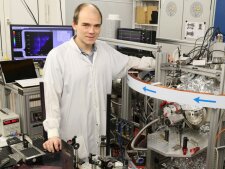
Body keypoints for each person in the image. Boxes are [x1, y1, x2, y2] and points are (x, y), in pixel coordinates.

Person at [42, 3, 155, 158]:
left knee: (98, 161)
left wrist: (159, 62)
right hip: (71, 133)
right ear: (74, 25)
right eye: (86, 25)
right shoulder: (57, 56)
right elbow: (51, 98)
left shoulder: (105, 51)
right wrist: (53, 133)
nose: (91, 31)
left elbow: (130, 62)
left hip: (100, 134)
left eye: (96, 26)